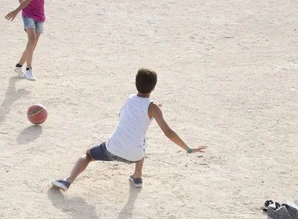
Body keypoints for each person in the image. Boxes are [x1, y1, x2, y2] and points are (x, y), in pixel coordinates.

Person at [51, 68, 207, 191]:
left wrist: (151, 111)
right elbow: (168, 132)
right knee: (141, 142)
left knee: (88, 155)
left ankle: (68, 181)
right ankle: (137, 177)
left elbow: (123, 115)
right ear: (153, 87)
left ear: (136, 83)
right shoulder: (153, 108)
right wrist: (188, 149)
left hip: (112, 149)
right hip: (134, 155)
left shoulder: (129, 98)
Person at [5, 0, 47, 81]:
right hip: (27, 15)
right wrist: (21, 9)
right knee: (31, 40)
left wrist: (15, 11)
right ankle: (29, 69)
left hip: (39, 16)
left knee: (32, 45)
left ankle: (18, 66)